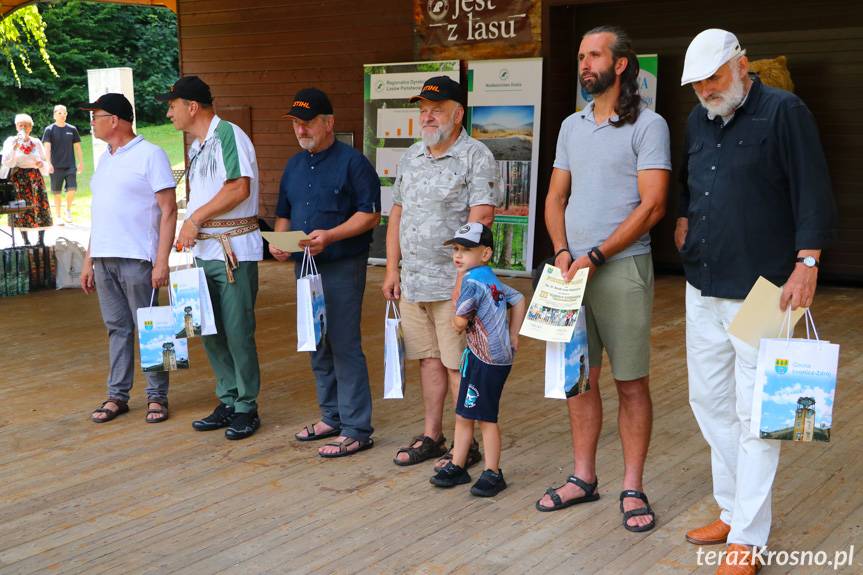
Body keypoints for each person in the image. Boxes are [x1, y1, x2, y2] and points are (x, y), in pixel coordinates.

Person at [677, 29, 836, 574]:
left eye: (714, 79)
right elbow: (690, 184)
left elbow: (813, 188)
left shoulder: (785, 112)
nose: (705, 92)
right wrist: (683, 221)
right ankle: (731, 507)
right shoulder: (699, 119)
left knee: (756, 414)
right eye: (696, 85)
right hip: (703, 283)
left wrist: (808, 261)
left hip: (767, 288)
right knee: (709, 402)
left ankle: (747, 536)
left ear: (741, 65)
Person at [535, 26, 671, 534]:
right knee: (577, 378)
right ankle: (583, 476)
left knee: (630, 382)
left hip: (622, 269)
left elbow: (653, 205)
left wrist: (597, 252)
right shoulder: (571, 126)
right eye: (580, 55)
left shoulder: (648, 125)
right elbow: (553, 199)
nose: (584, 63)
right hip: (572, 272)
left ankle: (632, 486)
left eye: (594, 55)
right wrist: (565, 253)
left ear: (619, 65)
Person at [382, 76, 499, 469]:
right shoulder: (412, 156)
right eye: (423, 110)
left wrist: (465, 287)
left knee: (457, 366)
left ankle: (467, 447)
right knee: (428, 360)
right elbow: (398, 212)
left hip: (453, 284)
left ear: (457, 113)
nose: (427, 116)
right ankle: (433, 435)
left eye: (436, 109)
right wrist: (392, 268)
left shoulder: (475, 156)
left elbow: (480, 220)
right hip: (414, 280)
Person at [270, 88, 381, 457]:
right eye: (295, 124)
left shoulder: (354, 163)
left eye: (307, 123)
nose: (300, 130)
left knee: (344, 343)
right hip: (304, 266)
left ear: (328, 123)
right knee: (315, 340)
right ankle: (331, 416)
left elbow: (370, 215)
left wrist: (330, 236)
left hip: (342, 265)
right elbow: (283, 212)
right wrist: (280, 242)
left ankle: (356, 428)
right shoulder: (294, 164)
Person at [159, 76, 264, 440]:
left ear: (192, 106)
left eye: (172, 104)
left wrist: (195, 219)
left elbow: (239, 187)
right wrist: (192, 229)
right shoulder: (196, 147)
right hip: (205, 249)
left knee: (237, 330)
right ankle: (229, 398)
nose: (168, 111)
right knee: (210, 331)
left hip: (233, 251)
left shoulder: (229, 136)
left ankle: (247, 406)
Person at [78, 93, 177, 423]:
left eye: (96, 115)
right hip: (104, 259)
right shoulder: (106, 158)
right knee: (116, 328)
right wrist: (88, 259)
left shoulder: (151, 155)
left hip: (137, 258)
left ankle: (157, 397)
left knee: (152, 328)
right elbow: (101, 214)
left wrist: (162, 262)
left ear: (116, 120)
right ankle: (117, 395)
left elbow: (168, 210)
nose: (91, 122)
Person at [429, 222, 525, 497]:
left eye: (467, 250)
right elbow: (518, 299)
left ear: (485, 254)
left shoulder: (472, 281)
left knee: (485, 417)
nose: (458, 255)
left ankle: (493, 472)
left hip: (487, 358)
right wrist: (513, 335)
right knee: (464, 411)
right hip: (481, 354)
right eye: (456, 249)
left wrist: (454, 321)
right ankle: (458, 463)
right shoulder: (490, 278)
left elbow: (460, 322)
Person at [1, 113, 52, 244]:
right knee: (21, 208)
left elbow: (45, 161)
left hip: (35, 177)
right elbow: (8, 163)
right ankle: (25, 240)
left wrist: (42, 164)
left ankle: (41, 239)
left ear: (30, 127)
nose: (23, 128)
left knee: (40, 206)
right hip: (19, 178)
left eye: (26, 125)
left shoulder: (36, 142)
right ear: (17, 127)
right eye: (20, 125)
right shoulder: (11, 141)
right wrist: (13, 148)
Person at [42, 104, 83, 224]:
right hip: (55, 167)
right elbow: (47, 148)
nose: (62, 115)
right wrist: (48, 163)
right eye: (59, 113)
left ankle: (68, 211)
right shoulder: (49, 130)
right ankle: (59, 216)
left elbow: (78, 148)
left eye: (64, 113)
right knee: (57, 193)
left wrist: (80, 163)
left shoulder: (72, 129)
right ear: (54, 115)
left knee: (72, 189)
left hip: (70, 166)